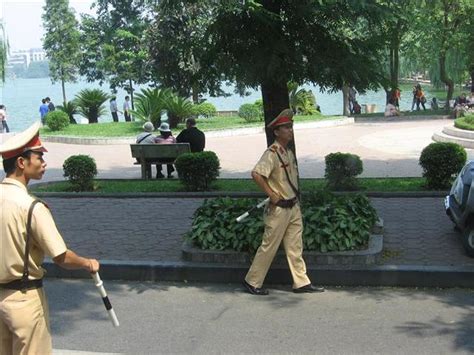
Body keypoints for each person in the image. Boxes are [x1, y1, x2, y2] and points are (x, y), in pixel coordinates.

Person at [0, 122, 100, 354]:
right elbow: (61, 257)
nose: (44, 163)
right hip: (23, 300)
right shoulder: (32, 207)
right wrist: (88, 263)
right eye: (38, 157)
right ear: (21, 163)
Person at [243, 109, 325, 296]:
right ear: (277, 132)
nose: (290, 130)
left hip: (293, 206)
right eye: (286, 127)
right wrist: (271, 193)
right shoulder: (272, 153)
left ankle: (301, 282)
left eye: (291, 126)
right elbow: (256, 174)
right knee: (269, 246)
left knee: (295, 246)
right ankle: (252, 281)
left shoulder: (288, 152)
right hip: (279, 209)